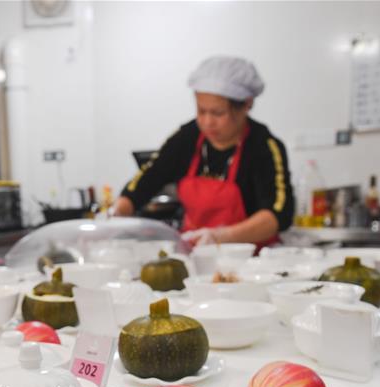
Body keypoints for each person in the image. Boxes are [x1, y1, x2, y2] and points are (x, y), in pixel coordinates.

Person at [113, 56, 294, 248]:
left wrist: (220, 237)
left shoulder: (263, 146)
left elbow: (278, 215)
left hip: (254, 261)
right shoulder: (188, 137)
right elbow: (148, 178)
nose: (207, 122)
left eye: (218, 113)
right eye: (201, 111)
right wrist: (116, 214)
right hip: (196, 253)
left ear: (246, 105)